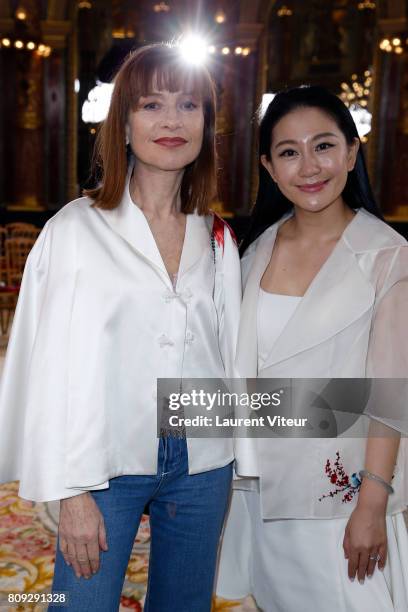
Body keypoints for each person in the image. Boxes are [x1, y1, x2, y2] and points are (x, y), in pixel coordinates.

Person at [0, 43, 241, 611]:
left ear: (206, 124)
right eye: (151, 104)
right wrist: (69, 490)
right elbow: (44, 366)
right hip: (101, 464)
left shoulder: (218, 236)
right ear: (123, 122)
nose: (171, 121)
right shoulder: (75, 230)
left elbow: (232, 361)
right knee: (79, 603)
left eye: (188, 105)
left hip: (202, 461)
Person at [216, 86, 408, 611]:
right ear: (269, 167)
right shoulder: (253, 248)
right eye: (288, 152)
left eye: (323, 146)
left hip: (341, 497)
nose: (309, 166)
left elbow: (390, 397)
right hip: (259, 487)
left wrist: (372, 501)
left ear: (351, 151)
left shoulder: (386, 256)